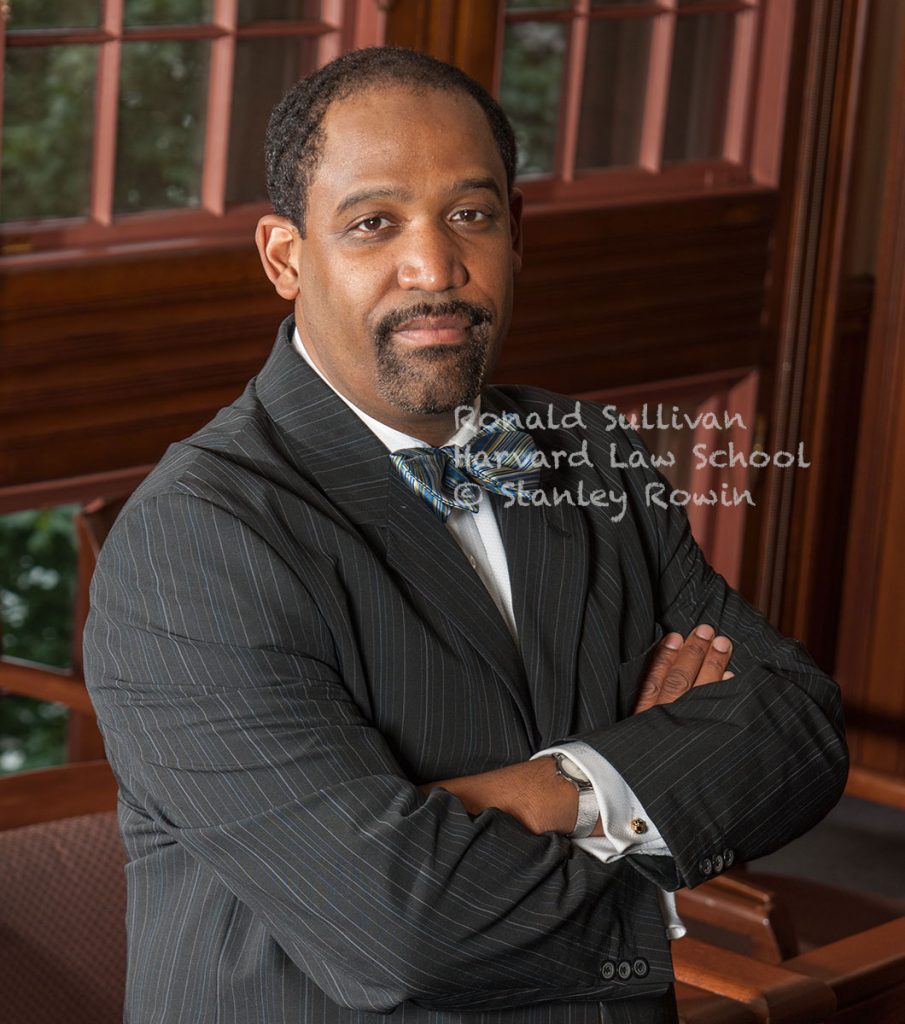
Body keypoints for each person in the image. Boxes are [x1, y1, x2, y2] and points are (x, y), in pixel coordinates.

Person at [83, 47, 848, 1024]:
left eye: (470, 215)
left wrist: (551, 791)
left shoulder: (590, 453)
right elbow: (396, 923)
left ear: (515, 233)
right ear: (285, 256)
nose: (434, 267)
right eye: (373, 223)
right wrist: (648, 779)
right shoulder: (193, 540)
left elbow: (796, 723)